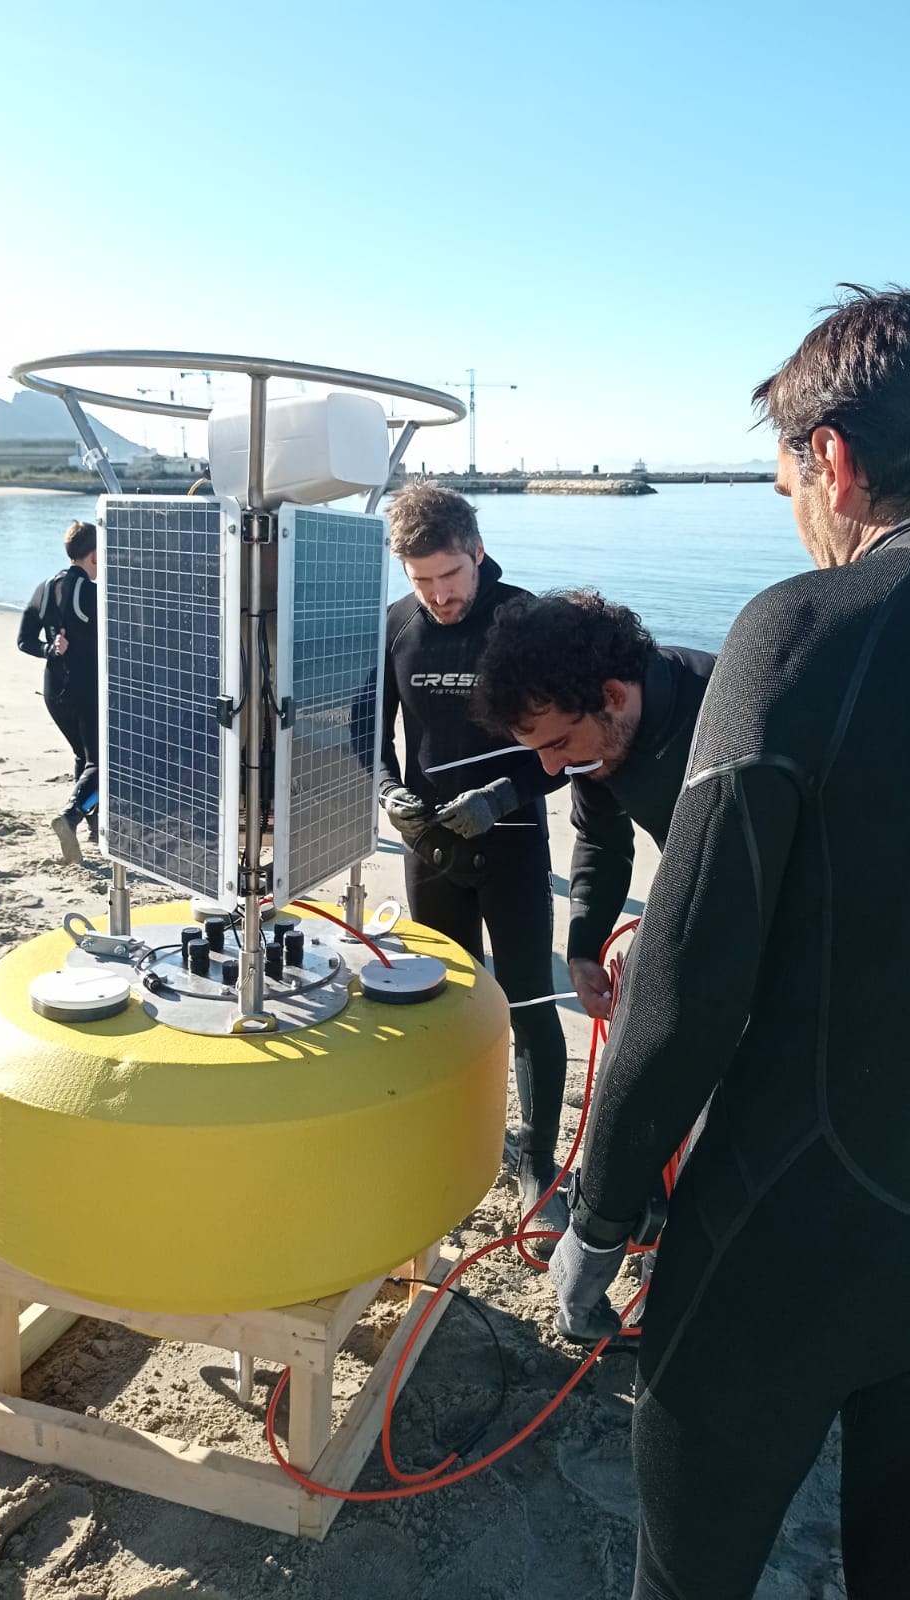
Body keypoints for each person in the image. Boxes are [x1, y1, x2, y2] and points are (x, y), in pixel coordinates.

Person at [548, 286, 910, 1599]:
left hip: (782, 1249)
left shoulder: (800, 631)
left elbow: (685, 991)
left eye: (785, 472)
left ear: (837, 461)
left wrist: (603, 1215)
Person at [379, 485, 569, 1252]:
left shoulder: (525, 621)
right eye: (422, 581)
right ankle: (453, 1148)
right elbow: (370, 732)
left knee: (530, 1005)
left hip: (512, 845)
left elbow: (569, 746)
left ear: (477, 551)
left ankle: (540, 1163)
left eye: (450, 576)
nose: (440, 595)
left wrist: (506, 791)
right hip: (431, 851)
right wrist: (384, 791)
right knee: (442, 1007)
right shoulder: (397, 627)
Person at [473, 589, 714, 1018]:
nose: (550, 769)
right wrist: (584, 951)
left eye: (558, 743)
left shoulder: (725, 707)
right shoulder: (598, 749)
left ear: (614, 696)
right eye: (538, 751)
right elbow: (601, 839)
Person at [17, 519, 99, 863]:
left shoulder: (44, 587)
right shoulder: (91, 594)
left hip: (54, 692)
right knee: (103, 764)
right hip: (86, 690)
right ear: (94, 555)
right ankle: (70, 817)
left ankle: (94, 828)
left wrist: (51, 650)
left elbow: (24, 641)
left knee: (84, 757)